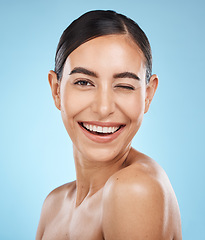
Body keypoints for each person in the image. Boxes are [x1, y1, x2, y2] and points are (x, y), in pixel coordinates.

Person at [36, 10, 182, 240]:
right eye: (84, 82)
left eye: (124, 86)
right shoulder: (53, 205)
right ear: (56, 90)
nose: (103, 109)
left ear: (147, 95)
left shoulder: (135, 190)